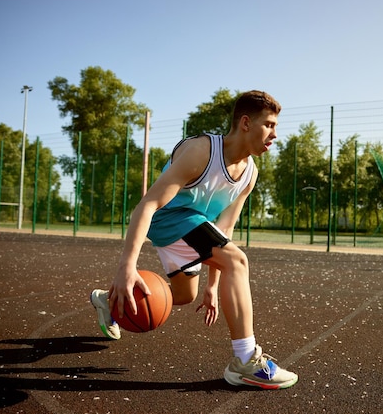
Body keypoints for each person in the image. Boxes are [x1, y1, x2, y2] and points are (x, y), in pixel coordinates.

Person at [90, 90, 298, 390]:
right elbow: (147, 205)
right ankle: (245, 361)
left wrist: (213, 287)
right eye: (269, 125)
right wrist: (127, 267)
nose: (274, 134)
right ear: (245, 123)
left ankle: (110, 304)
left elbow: (224, 231)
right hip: (167, 220)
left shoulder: (249, 174)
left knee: (184, 296)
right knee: (238, 261)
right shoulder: (202, 151)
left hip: (195, 227)